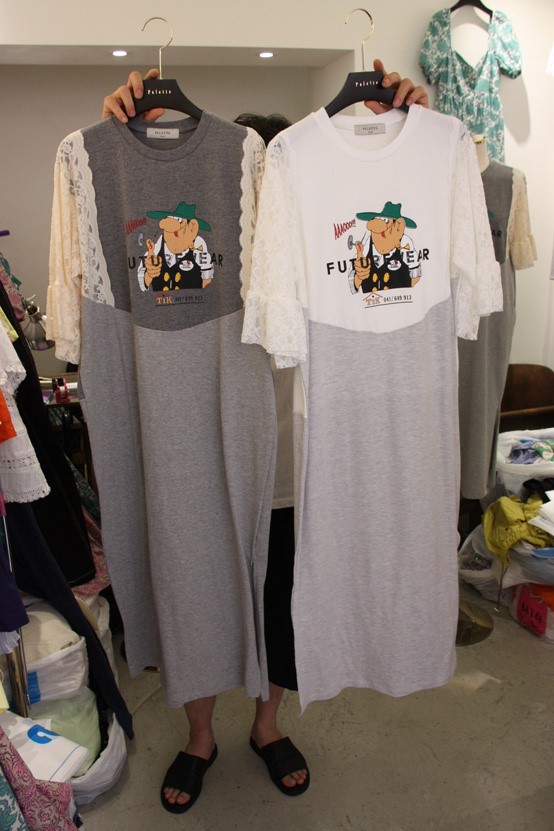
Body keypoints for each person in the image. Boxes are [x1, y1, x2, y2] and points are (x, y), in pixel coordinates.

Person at [101, 60, 429, 814]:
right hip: (205, 459)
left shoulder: (316, 249)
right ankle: (200, 735)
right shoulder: (208, 256)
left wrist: (409, 119)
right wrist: (128, 135)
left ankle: (267, 723)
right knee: (198, 596)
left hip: (290, 473)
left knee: (279, 605)